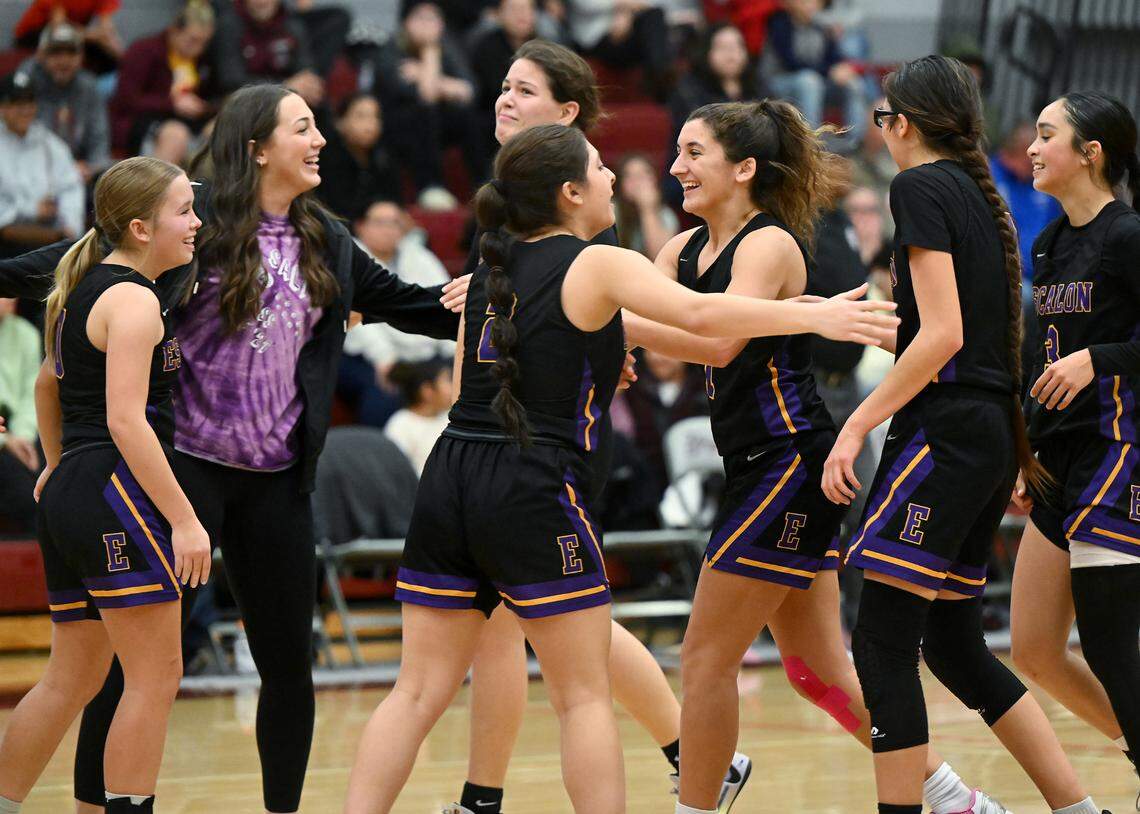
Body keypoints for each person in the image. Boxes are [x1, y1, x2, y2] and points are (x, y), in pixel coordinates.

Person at [342, 120, 900, 814]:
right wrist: (812, 318)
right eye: (601, 169)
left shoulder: (488, 265)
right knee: (581, 698)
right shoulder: (597, 262)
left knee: (416, 691)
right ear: (571, 192)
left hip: (451, 474)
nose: (614, 178)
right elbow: (701, 317)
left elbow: (504, 369)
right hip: (531, 481)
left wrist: (605, 352)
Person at [0, 82, 470, 814]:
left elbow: (412, 306)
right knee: (137, 668)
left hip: (277, 478)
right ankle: (100, 803)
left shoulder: (328, 241)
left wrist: (496, 299)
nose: (320, 140)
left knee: (288, 665)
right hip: (178, 469)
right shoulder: (190, 221)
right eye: (304, 128)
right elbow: (63, 268)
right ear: (257, 148)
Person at [622, 98, 1010, 814]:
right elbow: (647, 318)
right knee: (814, 670)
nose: (676, 166)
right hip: (752, 465)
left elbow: (712, 342)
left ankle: (696, 806)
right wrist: (616, 335)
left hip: (788, 463)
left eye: (693, 152)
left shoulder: (769, 244)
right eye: (675, 150)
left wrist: (612, 320)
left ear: (743, 168)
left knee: (706, 659)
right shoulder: (678, 252)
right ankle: (955, 800)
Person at [446, 40, 749, 814]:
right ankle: (691, 749)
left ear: (568, 114)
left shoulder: (584, 204)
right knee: (531, 620)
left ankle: (489, 796)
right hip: (494, 435)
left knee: (538, 624)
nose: (504, 101)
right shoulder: (511, 203)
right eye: (502, 88)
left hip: (547, 441)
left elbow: (622, 319)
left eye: (523, 90)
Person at [828, 55, 1109, 814]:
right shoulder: (981, 197)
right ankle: (1078, 809)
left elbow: (945, 334)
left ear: (904, 123)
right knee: (951, 641)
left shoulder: (919, 185)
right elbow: (969, 333)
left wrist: (857, 421)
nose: (881, 131)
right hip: (984, 430)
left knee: (882, 639)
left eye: (885, 117)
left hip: (945, 433)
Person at [0, 156, 209, 814]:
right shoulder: (134, 299)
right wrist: (184, 519)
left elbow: (44, 387)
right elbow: (125, 419)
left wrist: (59, 467)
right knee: (156, 676)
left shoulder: (81, 289)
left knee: (74, 676)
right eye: (184, 211)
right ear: (142, 228)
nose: (197, 223)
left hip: (78, 489)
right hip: (117, 489)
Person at [1009, 91, 1140, 790]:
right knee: (1033, 648)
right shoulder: (1050, 241)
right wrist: (1026, 450)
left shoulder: (1128, 236)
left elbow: (1098, 352)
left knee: (1111, 646)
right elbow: (1044, 355)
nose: (1032, 146)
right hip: (1058, 457)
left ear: (1091, 153)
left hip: (1117, 450)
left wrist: (1101, 360)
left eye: (1047, 134)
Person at [374, 0, 481, 210]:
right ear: (406, 22)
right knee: (426, 111)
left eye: (433, 18)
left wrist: (424, 73)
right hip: (398, 128)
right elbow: (426, 95)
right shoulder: (391, 48)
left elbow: (470, 91)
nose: (428, 24)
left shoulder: (448, 46)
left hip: (437, 125)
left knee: (467, 116)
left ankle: (483, 185)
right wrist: (430, 51)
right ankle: (430, 186)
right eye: (420, 18)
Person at [109, 1, 216, 156]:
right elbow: (127, 99)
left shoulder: (202, 60)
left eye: (204, 42)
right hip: (144, 121)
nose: (198, 48)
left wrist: (205, 107)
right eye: (192, 40)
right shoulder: (143, 51)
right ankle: (161, 180)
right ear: (174, 31)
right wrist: (172, 103)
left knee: (221, 128)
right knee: (176, 135)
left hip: (190, 121)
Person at [761, 0, 866, 153]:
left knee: (853, 83)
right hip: (778, 82)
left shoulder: (820, 27)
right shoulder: (779, 23)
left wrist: (843, 68)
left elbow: (834, 57)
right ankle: (812, 142)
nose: (810, 5)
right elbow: (790, 61)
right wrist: (829, 71)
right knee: (809, 81)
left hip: (813, 83)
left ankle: (853, 143)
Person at [0, 72, 84, 260]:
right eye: (16, 103)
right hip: (6, 240)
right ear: (2, 108)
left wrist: (70, 225)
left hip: (49, 238)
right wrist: (32, 209)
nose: (25, 110)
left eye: (29, 103)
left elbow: (71, 187)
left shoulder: (50, 144)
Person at [18, 22, 111, 184]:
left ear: (81, 57)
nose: (64, 60)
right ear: (41, 55)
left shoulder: (88, 86)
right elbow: (19, 140)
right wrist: (65, 167)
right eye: (56, 53)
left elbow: (99, 139)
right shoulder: (26, 83)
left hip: (81, 172)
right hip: (32, 170)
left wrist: (92, 167)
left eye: (71, 52)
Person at [212, 0, 325, 107]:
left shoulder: (291, 23)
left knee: (317, 100)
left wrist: (308, 83)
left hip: (289, 97)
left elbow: (306, 65)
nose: (262, 2)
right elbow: (231, 81)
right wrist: (284, 86)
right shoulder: (229, 25)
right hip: (248, 104)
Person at [316, 93, 400, 219]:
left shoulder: (384, 157)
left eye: (376, 117)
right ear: (340, 122)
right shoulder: (325, 159)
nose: (370, 124)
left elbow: (395, 202)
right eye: (361, 116)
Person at [0, 296, 41, 534]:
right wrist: (6, 441)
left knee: (45, 488)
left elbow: (31, 394)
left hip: (19, 431)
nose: (9, 298)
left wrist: (22, 437)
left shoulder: (26, 334)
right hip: (6, 438)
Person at [384, 356, 453, 474]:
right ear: (427, 390)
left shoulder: (450, 418)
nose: (453, 387)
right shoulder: (401, 424)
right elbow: (395, 471)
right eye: (447, 380)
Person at [613, 152, 677, 259]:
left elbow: (660, 257)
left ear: (655, 180)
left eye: (644, 174)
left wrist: (647, 209)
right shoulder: (611, 210)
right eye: (629, 176)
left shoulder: (665, 215)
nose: (637, 182)